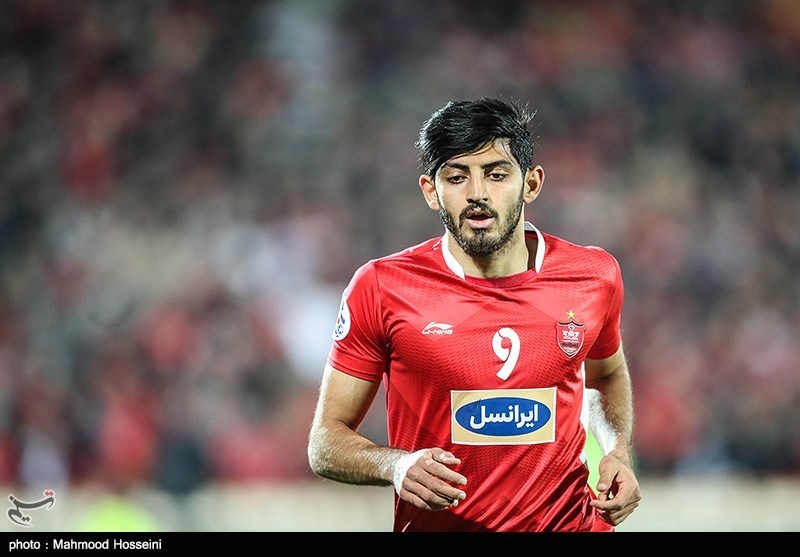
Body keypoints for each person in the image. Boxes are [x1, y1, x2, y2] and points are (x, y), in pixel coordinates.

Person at [307, 97, 641, 532]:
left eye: (496, 174)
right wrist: (396, 465)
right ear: (431, 191)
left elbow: (606, 374)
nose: (477, 193)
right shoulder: (382, 287)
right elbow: (325, 443)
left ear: (531, 184)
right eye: (456, 176)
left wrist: (616, 450)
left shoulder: (593, 276)